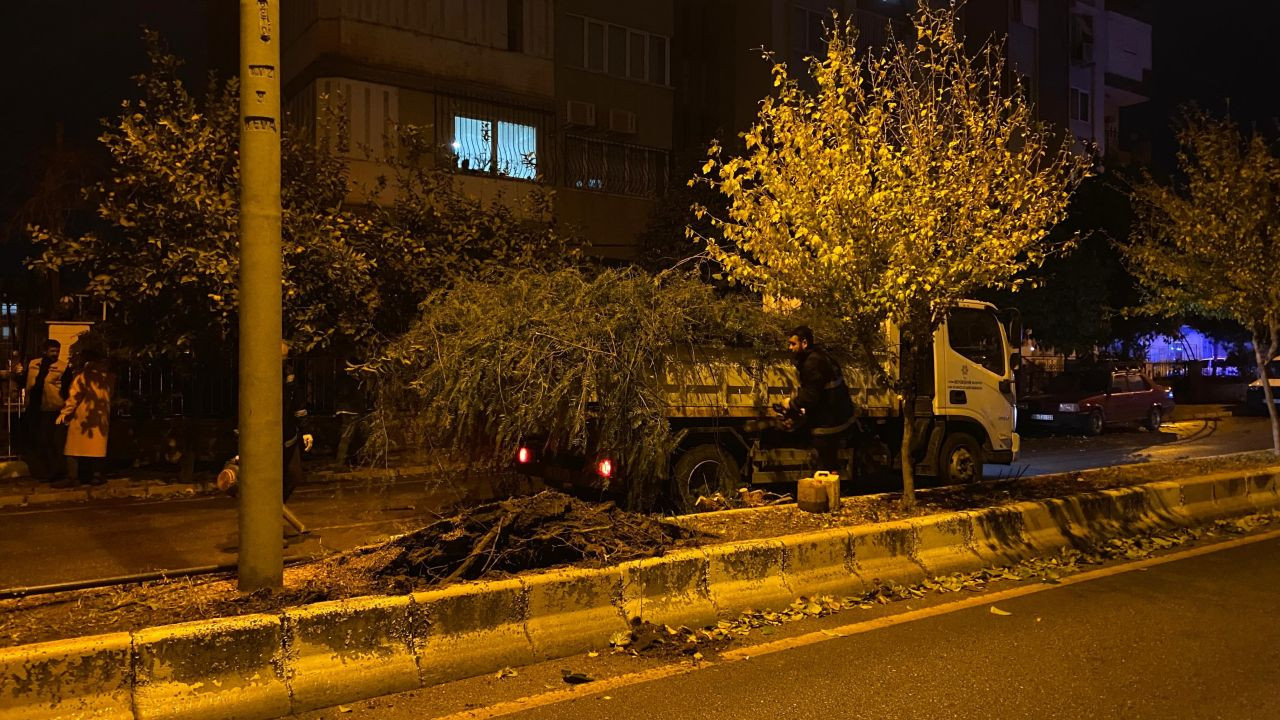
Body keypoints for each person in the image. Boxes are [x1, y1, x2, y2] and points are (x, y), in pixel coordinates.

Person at [781, 325, 855, 474]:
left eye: (793, 344)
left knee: (825, 460)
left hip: (829, 419)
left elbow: (811, 395)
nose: (790, 348)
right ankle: (830, 487)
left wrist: (791, 403)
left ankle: (828, 492)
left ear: (805, 343)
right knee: (828, 459)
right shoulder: (818, 356)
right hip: (834, 414)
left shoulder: (812, 363)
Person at [56, 345, 115, 487]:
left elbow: (74, 397)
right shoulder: (108, 376)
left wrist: (65, 413)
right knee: (97, 447)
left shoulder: (83, 376)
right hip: (101, 416)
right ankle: (96, 475)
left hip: (83, 417)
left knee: (73, 448)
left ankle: (72, 477)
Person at [23, 340, 67, 481]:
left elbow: (66, 389)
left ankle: (55, 471)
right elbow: (26, 380)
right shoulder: (33, 364)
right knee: (35, 440)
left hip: (52, 407)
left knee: (49, 440)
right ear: (44, 351)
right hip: (34, 407)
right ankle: (42, 471)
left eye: (57, 351)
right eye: (52, 351)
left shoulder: (62, 367)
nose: (55, 354)